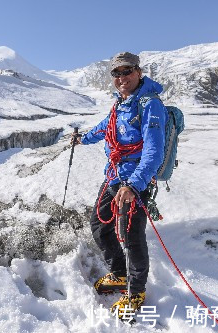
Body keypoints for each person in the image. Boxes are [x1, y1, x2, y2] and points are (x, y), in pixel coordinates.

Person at [72, 52, 166, 317]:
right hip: (114, 176)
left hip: (134, 181)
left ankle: (135, 293)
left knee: (131, 237)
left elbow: (153, 152)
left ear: (138, 72)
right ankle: (119, 274)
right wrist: (82, 139)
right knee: (100, 225)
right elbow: (105, 128)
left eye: (127, 72)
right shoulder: (121, 104)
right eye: (117, 73)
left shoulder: (149, 105)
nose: (122, 78)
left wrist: (134, 185)